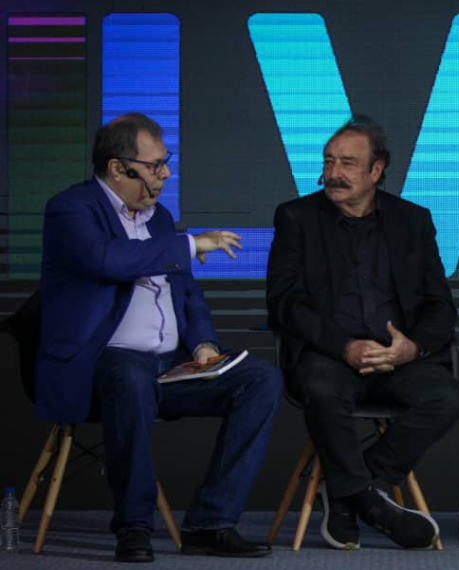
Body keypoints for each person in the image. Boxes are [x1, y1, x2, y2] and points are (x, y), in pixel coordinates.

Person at [37, 113, 283, 563]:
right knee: (130, 375)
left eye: (165, 162)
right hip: (100, 368)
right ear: (117, 168)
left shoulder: (160, 218)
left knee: (261, 380)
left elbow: (187, 293)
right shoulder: (70, 210)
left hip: (168, 367)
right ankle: (133, 526)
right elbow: (107, 261)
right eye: (155, 165)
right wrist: (191, 244)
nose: (165, 174)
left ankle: (210, 523)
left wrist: (204, 344)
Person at [266, 115, 459, 551]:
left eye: (347, 163)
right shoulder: (296, 217)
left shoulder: (413, 221)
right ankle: (366, 499)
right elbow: (285, 304)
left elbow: (440, 306)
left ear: (377, 170)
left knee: (446, 396)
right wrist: (344, 346)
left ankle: (351, 490)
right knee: (321, 386)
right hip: (329, 357)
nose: (333, 173)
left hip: (396, 360)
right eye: (329, 161)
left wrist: (410, 348)